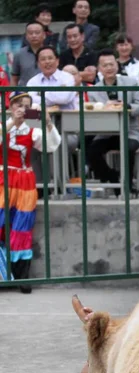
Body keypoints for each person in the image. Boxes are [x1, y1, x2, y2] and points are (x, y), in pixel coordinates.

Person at [0, 91, 61, 293]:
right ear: (10, 106)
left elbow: (52, 146)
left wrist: (48, 123)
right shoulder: (3, 125)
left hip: (25, 181)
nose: (21, 109)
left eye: (26, 106)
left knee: (21, 229)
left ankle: (21, 277)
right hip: (3, 180)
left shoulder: (33, 131)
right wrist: (10, 124)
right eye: (18, 105)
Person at [87, 50, 139, 194]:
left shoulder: (131, 83)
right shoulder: (94, 91)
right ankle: (112, 176)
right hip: (106, 133)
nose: (109, 68)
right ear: (99, 69)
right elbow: (94, 113)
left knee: (128, 148)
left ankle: (128, 186)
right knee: (91, 152)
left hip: (129, 131)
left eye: (111, 64)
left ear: (117, 65)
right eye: (105, 65)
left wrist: (127, 106)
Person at [11, 21, 46, 86]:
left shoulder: (51, 53)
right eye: (30, 33)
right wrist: (12, 94)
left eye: (37, 32)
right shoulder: (19, 54)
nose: (34, 35)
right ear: (26, 36)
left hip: (47, 93)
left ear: (44, 35)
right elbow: (14, 78)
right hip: (25, 94)